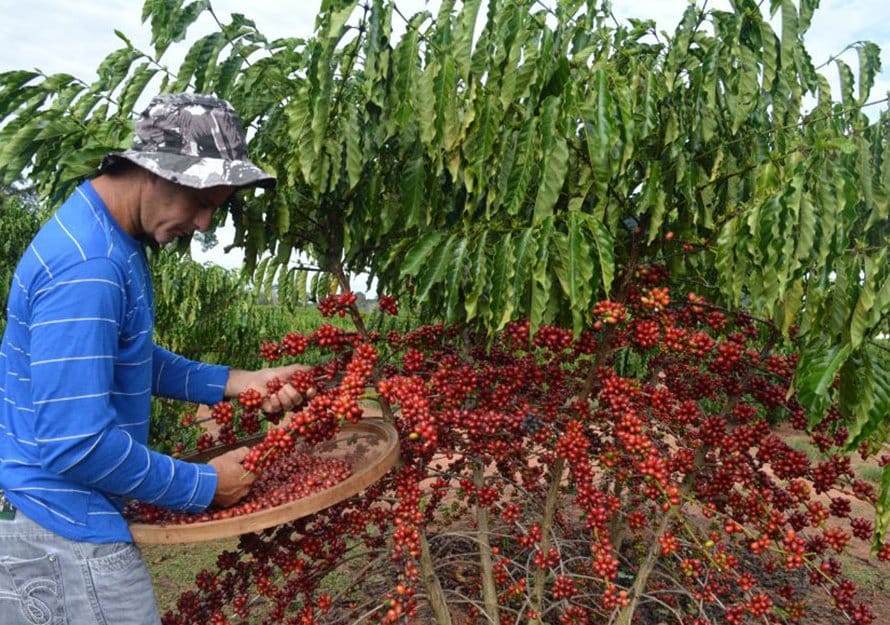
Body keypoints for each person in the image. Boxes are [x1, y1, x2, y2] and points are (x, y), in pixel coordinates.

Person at [0, 93, 306, 625]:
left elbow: (128, 356)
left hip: (63, 522)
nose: (207, 223)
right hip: (68, 533)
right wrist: (204, 486)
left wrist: (240, 382)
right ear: (156, 172)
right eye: (202, 201)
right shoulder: (89, 266)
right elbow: (77, 444)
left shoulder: (109, 238)